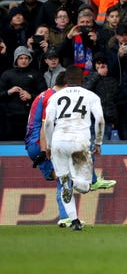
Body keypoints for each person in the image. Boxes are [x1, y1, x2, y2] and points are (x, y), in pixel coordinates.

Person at [44, 65, 105, 231]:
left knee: (64, 184)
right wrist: (98, 142)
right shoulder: (91, 96)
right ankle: (78, 184)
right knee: (84, 186)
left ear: (66, 80)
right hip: (79, 141)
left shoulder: (55, 97)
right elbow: (99, 119)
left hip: (58, 141)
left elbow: (48, 122)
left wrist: (48, 145)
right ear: (82, 80)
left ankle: (74, 220)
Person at [25, 72, 70, 227]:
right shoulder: (53, 98)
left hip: (32, 144)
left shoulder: (43, 95)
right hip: (40, 144)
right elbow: (46, 126)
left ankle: (66, 216)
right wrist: (45, 150)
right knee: (65, 178)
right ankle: (66, 217)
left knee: (62, 178)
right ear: (67, 85)